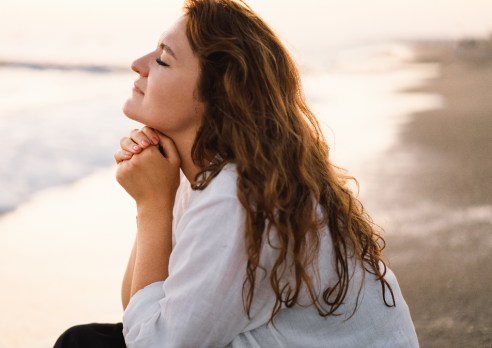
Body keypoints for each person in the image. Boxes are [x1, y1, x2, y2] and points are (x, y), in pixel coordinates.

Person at [54, 0, 419, 347]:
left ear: (218, 96)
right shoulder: (208, 174)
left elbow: (153, 341)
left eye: (163, 60)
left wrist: (152, 206)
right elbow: (139, 314)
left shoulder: (237, 196)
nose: (138, 63)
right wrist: (154, 203)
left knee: (82, 344)